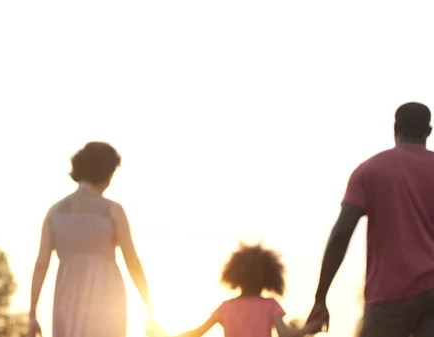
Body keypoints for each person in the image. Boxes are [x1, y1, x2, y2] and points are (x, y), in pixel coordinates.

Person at [307, 102, 434, 337]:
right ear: (428, 131)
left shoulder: (370, 170)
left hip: (389, 296)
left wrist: (320, 296)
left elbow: (341, 233)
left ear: (395, 128)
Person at [27, 142, 156, 337]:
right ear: (106, 172)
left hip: (66, 296)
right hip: (106, 295)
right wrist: (149, 307)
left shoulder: (55, 212)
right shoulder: (113, 210)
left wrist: (32, 313)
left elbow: (41, 264)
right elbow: (132, 262)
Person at [168, 243, 324, 337]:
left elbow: (197, 333)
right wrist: (311, 328)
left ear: (235, 276)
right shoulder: (270, 305)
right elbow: (285, 334)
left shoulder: (226, 308)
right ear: (268, 278)